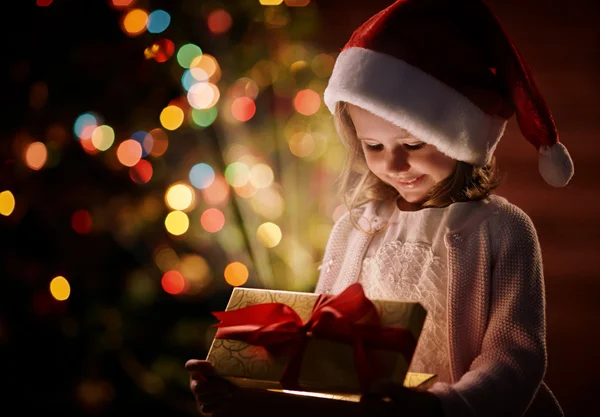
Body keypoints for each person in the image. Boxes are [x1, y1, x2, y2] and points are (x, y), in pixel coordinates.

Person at [186, 0, 574, 415]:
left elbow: (515, 356)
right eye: (373, 146)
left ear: (458, 137)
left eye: (412, 145)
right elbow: (324, 357)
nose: (393, 164)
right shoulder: (355, 229)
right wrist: (243, 392)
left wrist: (442, 408)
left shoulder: (503, 229)